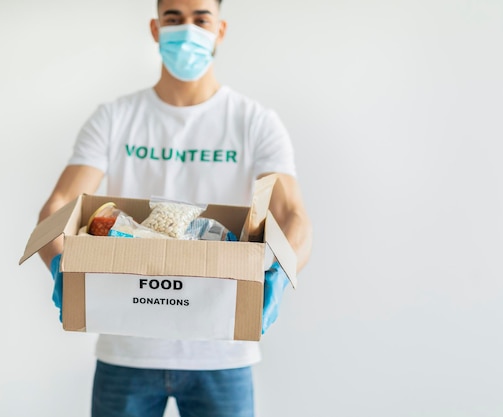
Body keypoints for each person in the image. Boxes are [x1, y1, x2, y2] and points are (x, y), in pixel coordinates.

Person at [37, 0, 313, 415]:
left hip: (222, 351)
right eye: (174, 18)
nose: (188, 30)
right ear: (155, 28)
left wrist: (278, 274)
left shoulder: (254, 122)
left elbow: (294, 215)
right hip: (127, 349)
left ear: (220, 30)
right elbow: (59, 205)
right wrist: (61, 264)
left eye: (201, 18)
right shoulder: (116, 118)